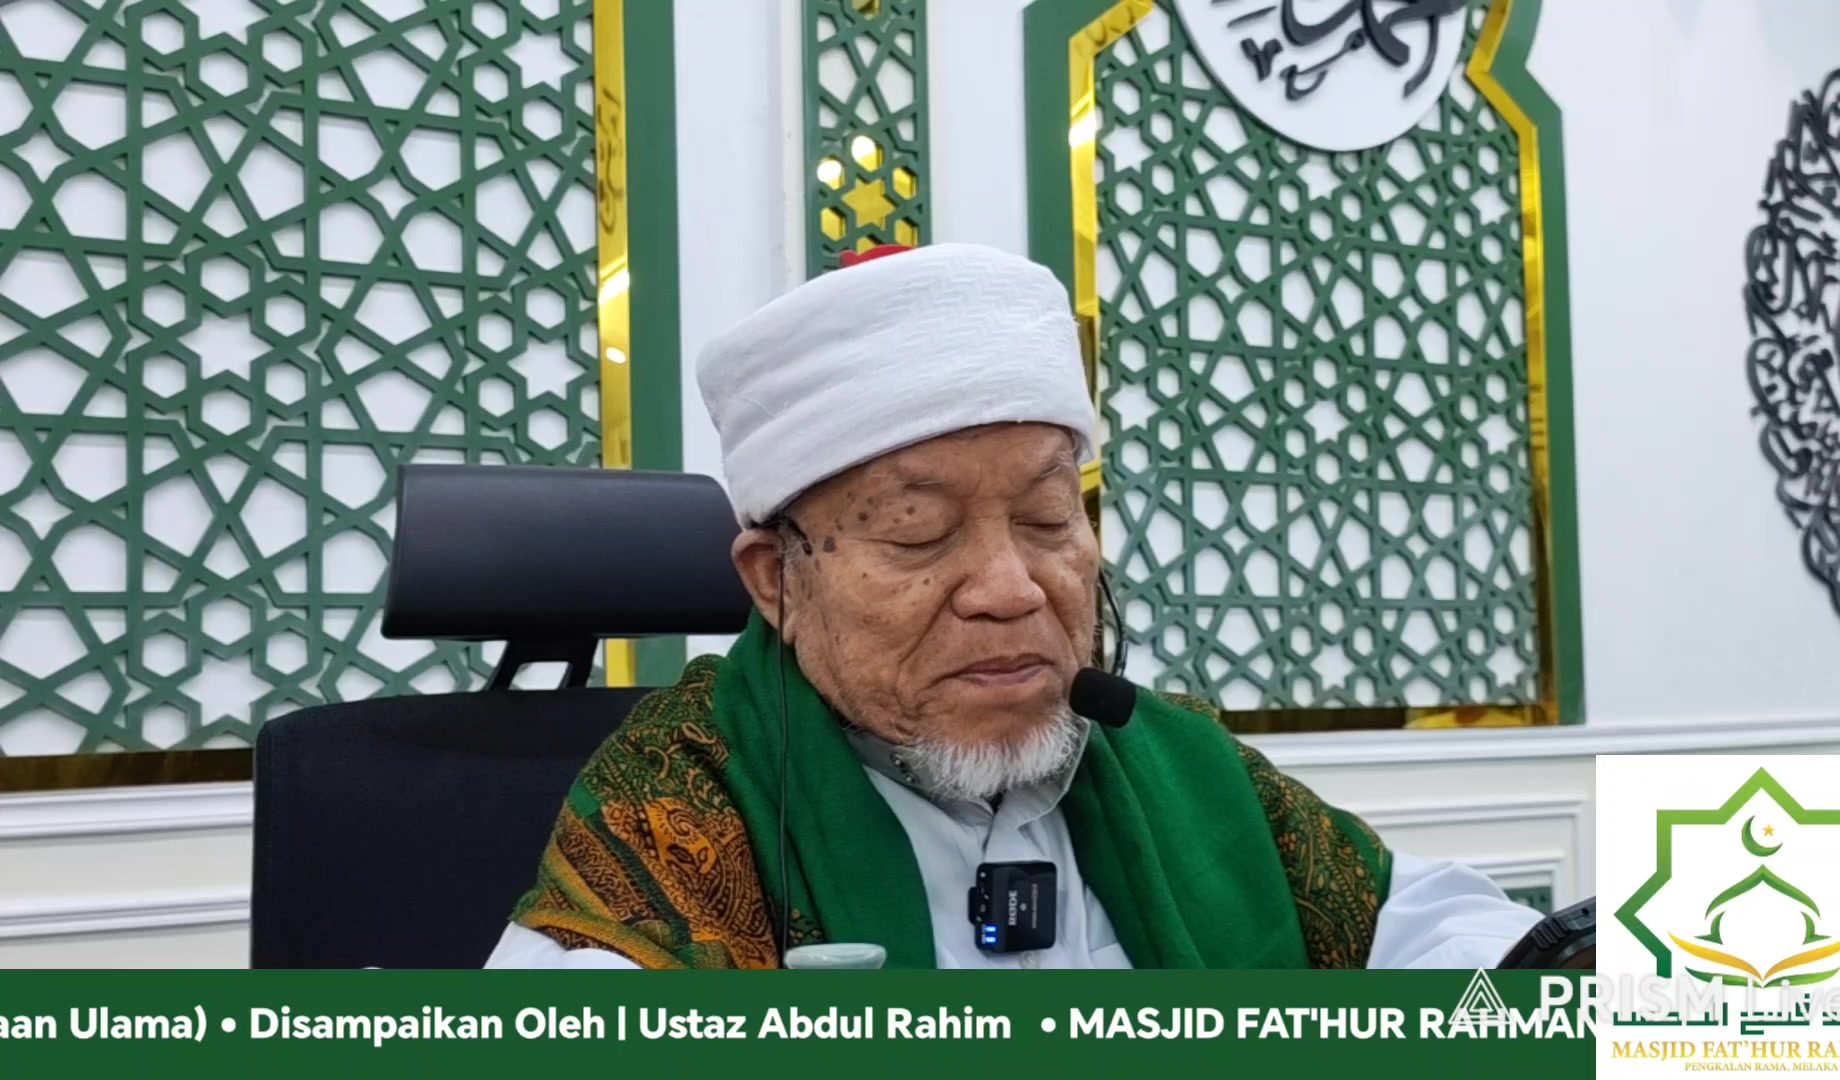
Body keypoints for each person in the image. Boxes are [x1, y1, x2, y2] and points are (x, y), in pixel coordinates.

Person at [486, 243, 1543, 970]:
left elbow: (1431, 936)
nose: (1010, 589)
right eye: (918, 532)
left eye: (1046, 519)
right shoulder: (677, 810)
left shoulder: (1182, 767)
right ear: (777, 580)